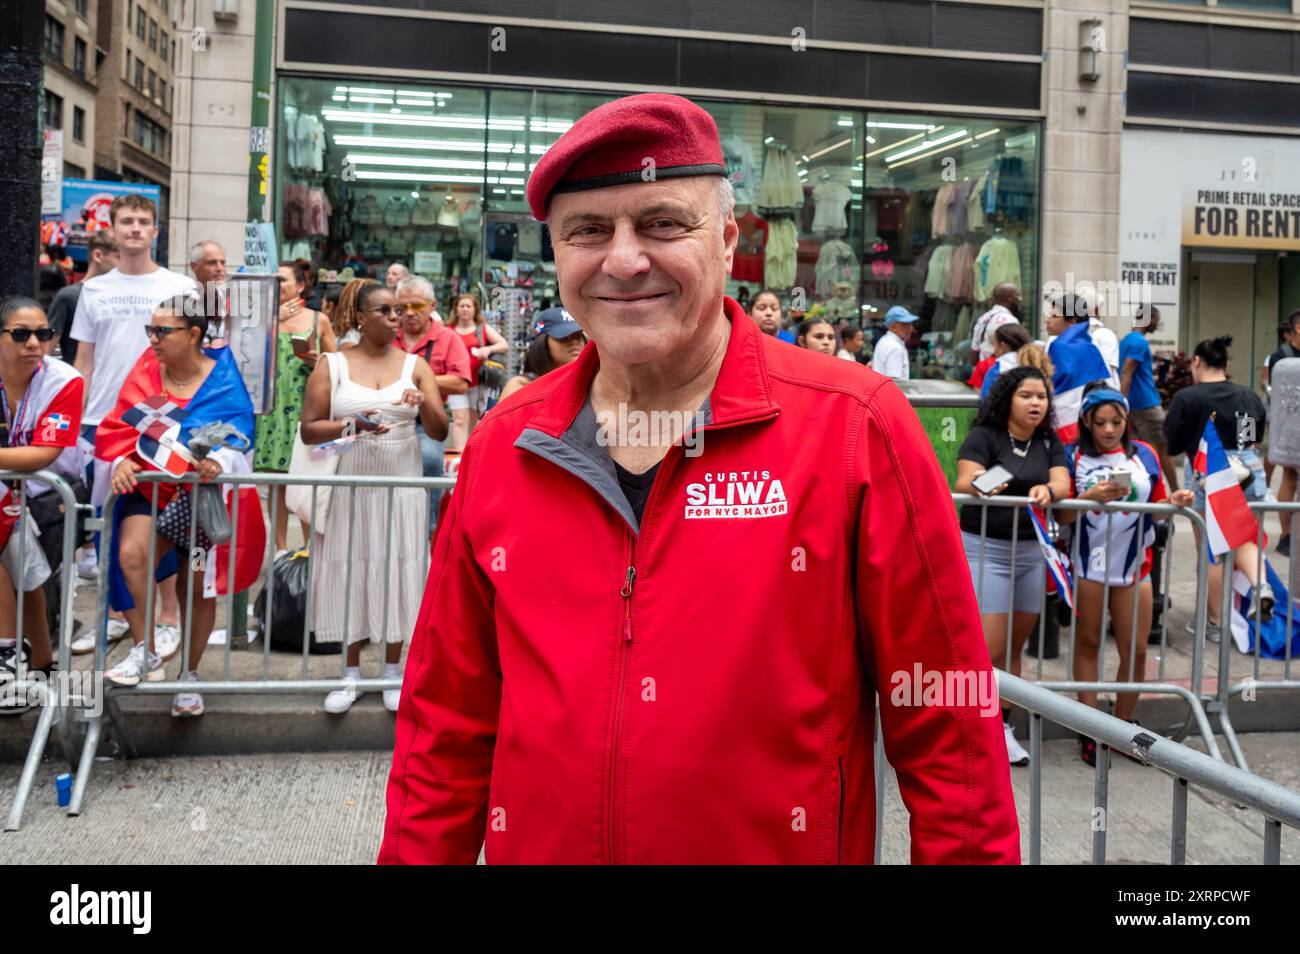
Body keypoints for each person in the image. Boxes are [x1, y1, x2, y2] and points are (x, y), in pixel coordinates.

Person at [379, 92, 1018, 864]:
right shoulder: (506, 448)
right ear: (558, 256)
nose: (622, 259)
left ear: (726, 238)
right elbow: (444, 728)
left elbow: (952, 742)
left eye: (661, 223)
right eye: (588, 231)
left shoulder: (858, 428)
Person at [97, 294, 260, 716]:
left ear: (193, 335)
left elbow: (240, 429)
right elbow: (120, 423)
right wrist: (121, 461)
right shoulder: (147, 369)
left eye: (162, 331)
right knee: (132, 555)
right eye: (150, 330)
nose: (152, 339)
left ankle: (189, 675)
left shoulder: (222, 376)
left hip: (199, 498)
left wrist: (218, 460)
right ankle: (143, 649)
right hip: (149, 490)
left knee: (196, 584)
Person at [299, 282, 448, 714]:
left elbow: (439, 431)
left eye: (398, 310)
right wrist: (354, 426)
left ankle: (391, 669)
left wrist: (423, 404)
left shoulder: (415, 365)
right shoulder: (333, 364)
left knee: (399, 567)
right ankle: (349, 673)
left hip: (401, 487)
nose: (395, 317)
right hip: (350, 483)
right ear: (361, 317)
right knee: (350, 568)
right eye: (385, 311)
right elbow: (309, 428)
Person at [71, 193, 196, 658]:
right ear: (113, 229)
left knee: (161, 523)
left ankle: (167, 616)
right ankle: (116, 617)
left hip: (162, 421)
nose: (136, 229)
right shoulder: (94, 289)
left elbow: (194, 356)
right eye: (127, 221)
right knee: (106, 527)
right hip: (100, 423)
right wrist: (77, 422)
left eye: (144, 221)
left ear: (156, 230)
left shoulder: (179, 285)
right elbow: (84, 359)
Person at [1056, 382, 1194, 765]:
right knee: (1087, 646)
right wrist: (1089, 498)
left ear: (1126, 420)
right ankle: (1088, 727)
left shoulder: (1145, 455)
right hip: (1088, 567)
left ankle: (1121, 728)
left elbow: (1158, 504)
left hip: (1136, 566)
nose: (1108, 429)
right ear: (1087, 421)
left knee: (1134, 650)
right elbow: (1061, 515)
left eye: (1116, 421)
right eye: (1100, 422)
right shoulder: (1072, 457)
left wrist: (1176, 501)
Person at [954, 366, 1071, 767]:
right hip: (985, 548)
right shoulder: (985, 436)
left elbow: (1063, 482)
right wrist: (986, 482)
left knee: (1014, 649)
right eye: (1027, 395)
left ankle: (1002, 728)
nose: (1036, 403)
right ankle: (973, 733)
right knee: (988, 649)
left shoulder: (1048, 441)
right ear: (1008, 399)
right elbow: (966, 479)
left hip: (1030, 553)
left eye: (1041, 397)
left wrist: (1049, 490)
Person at [0, 298, 85, 714]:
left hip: (54, 493)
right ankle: (39, 666)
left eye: (43, 334)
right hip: (6, 494)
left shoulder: (64, 379)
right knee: (20, 563)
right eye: (20, 334)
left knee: (27, 572)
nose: (34, 343)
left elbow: (44, 453)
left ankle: (8, 654)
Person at [1164, 335, 1273, 637]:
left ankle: (1214, 622)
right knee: (1244, 539)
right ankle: (1260, 585)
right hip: (1248, 469)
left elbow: (1172, 445)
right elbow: (1251, 438)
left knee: (1215, 550)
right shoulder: (1247, 395)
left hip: (1210, 472)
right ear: (1225, 365)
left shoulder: (1188, 398)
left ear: (1196, 363)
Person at [255, 263, 338, 553]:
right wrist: (273, 322)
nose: (278, 285)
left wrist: (319, 363)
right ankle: (279, 548)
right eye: (274, 281)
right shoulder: (262, 319)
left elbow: (336, 365)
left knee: (304, 479)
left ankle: (308, 546)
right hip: (273, 408)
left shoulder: (319, 320)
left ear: (300, 286)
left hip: (306, 407)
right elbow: (249, 358)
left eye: (283, 280)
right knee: (276, 482)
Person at [393, 276, 472, 528]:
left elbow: (460, 382)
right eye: (401, 308)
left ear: (431, 305)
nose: (408, 313)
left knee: (429, 459)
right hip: (388, 417)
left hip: (425, 420)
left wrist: (422, 380)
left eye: (416, 306)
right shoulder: (387, 333)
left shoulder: (448, 339)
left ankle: (427, 531)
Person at [1119, 305, 1178, 494]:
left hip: (1136, 405)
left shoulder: (1128, 340)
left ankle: (1146, 492)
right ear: (1148, 318)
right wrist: (1121, 404)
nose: (1157, 323)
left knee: (1138, 450)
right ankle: (1176, 491)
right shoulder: (1139, 343)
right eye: (1156, 319)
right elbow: (1127, 372)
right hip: (1146, 405)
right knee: (1163, 448)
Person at [48, 229, 118, 368]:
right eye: (118, 257)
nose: (123, 265)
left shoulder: (121, 297)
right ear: (98, 255)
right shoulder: (69, 296)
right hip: (78, 381)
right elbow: (47, 349)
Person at [1262, 309, 1300, 555]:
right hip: (1291, 425)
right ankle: (1286, 535)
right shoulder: (1280, 357)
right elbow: (1273, 389)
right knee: (1289, 476)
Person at [447, 293, 507, 443]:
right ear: (456, 309)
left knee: (475, 420)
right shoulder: (449, 330)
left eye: (469, 306)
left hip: (479, 381)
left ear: (475, 310)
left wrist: (488, 349)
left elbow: (504, 345)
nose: (465, 309)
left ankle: (470, 452)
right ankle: (459, 459)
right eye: (462, 306)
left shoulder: (482, 329)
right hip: (456, 381)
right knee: (460, 420)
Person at [498, 306, 586, 401]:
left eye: (578, 336)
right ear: (542, 343)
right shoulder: (521, 386)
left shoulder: (591, 383)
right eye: (564, 336)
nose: (574, 342)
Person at [969, 282, 1022, 366]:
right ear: (1010, 298)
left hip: (983, 371)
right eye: (1018, 295)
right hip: (1000, 373)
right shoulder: (1009, 320)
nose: (1020, 299)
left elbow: (974, 353)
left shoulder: (983, 318)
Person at [978, 322, 1031, 402]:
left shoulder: (997, 369)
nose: (994, 350)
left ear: (1002, 346)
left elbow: (986, 397)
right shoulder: (1035, 364)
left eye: (994, 345)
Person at [869, 305, 917, 382]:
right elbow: (894, 382)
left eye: (911, 324)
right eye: (905, 325)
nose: (910, 329)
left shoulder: (884, 340)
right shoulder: (895, 348)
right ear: (893, 327)